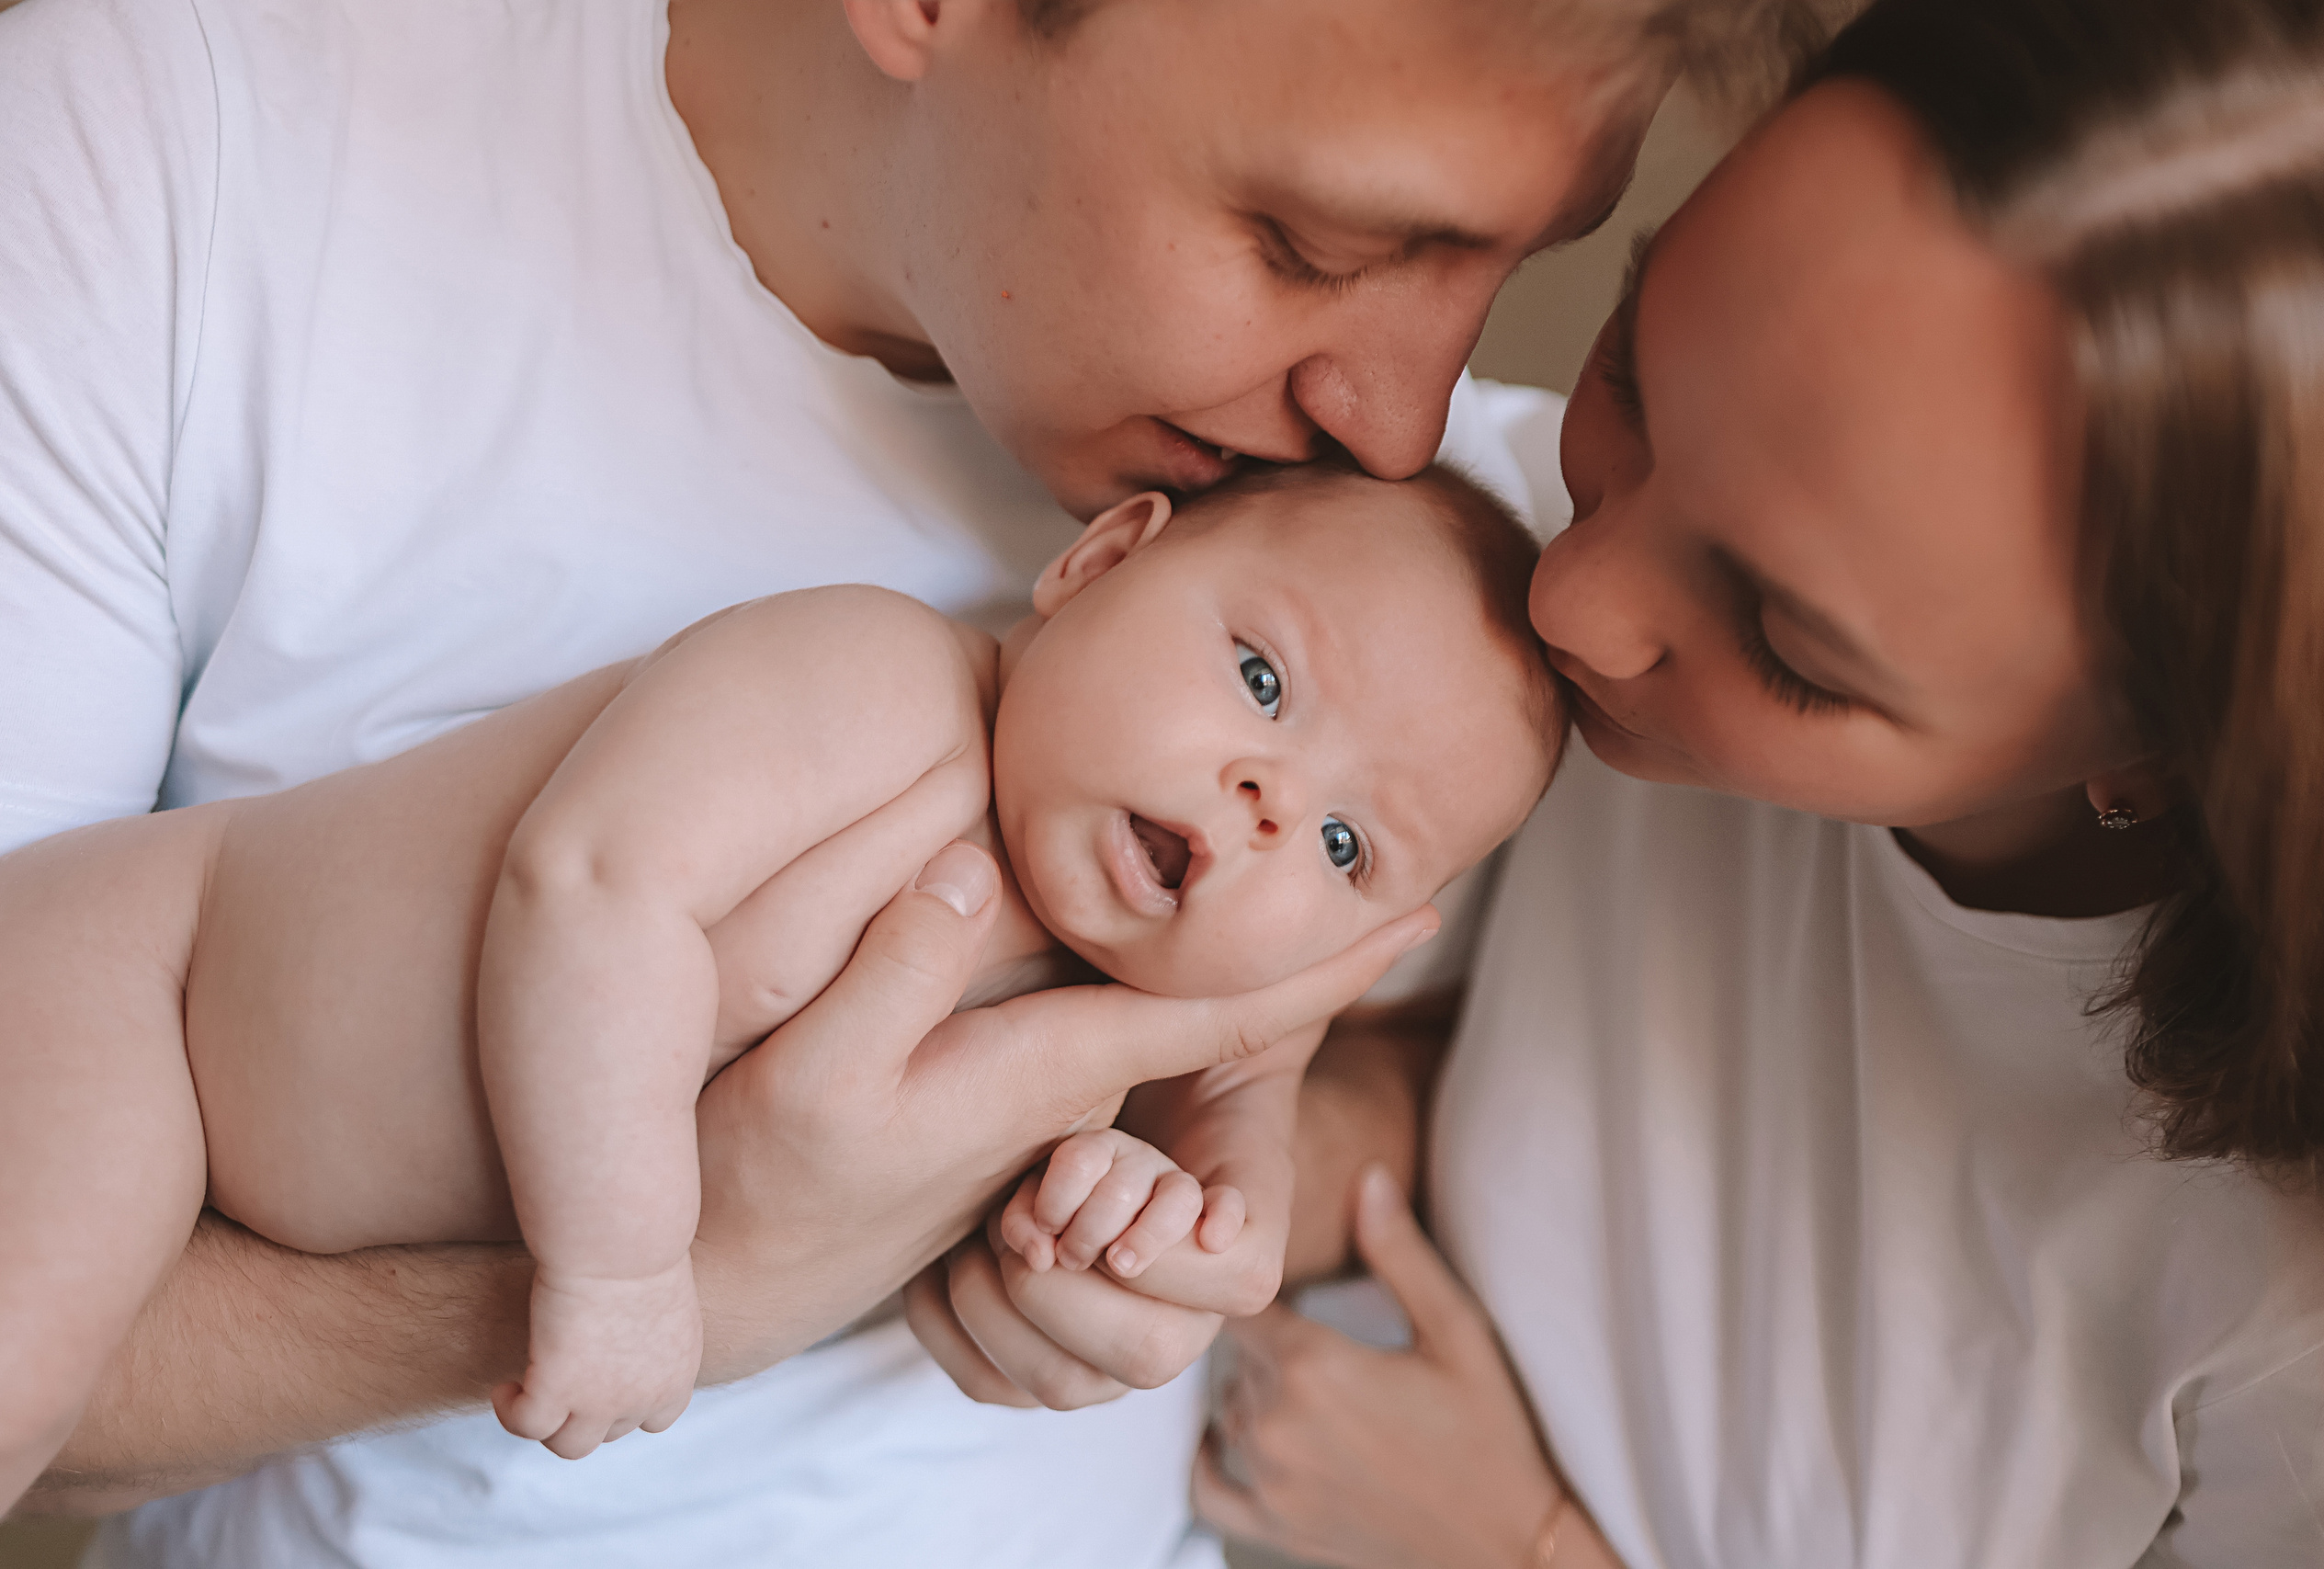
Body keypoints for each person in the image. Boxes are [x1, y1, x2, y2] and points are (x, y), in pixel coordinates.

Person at [1, 0, 1834, 1560]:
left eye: (1510, 265)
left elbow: (1430, 1053)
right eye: (1315, 245)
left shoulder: (1422, 578)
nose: (1400, 413)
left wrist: (1176, 1205)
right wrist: (721, 1269)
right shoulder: (168, 154)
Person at [920, 0, 2324, 1563]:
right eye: (1632, 371)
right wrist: (1191, 1201)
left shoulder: (2298, 1312)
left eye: (1792, 645)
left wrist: (1529, 1549)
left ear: (2160, 761)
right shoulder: (1425, 573)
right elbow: (1482, 1083)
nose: (1572, 601)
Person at [0, 461, 1563, 1500]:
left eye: (1350, 843)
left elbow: (1238, 1092)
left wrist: (1205, 1209)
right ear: (1095, 562)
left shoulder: (1113, 1000)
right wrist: (624, 1271)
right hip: (146, 993)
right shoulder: (882, 686)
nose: (1269, 801)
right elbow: (592, 886)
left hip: (236, 1160)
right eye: (1263, 681)